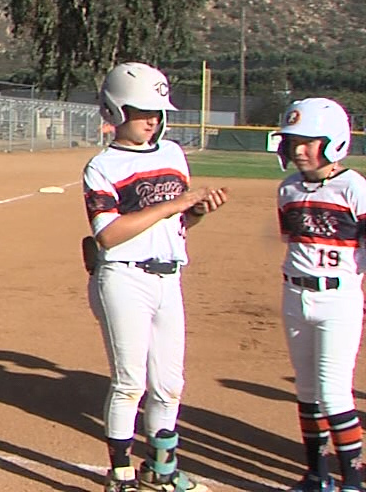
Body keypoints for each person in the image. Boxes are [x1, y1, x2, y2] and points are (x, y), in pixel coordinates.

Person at [81, 62, 227, 492]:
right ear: (116, 110)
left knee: (169, 384)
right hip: (124, 278)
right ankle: (120, 476)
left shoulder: (173, 154)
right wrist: (175, 204)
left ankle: (161, 470)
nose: (152, 120)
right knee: (130, 382)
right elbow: (108, 234)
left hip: (168, 276)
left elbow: (177, 225)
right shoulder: (102, 166)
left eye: (157, 112)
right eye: (142, 111)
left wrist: (196, 211)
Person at [272, 98, 365, 492]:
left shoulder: (354, 187)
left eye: (309, 142)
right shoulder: (288, 189)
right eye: (294, 142)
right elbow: (294, 240)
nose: (299, 150)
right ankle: (315, 475)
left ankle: (353, 480)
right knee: (307, 391)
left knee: (333, 392)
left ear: (334, 142)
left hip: (338, 300)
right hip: (295, 295)